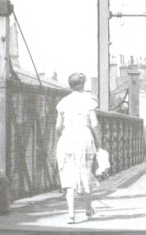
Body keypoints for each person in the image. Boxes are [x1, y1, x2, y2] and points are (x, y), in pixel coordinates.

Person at [55, 72, 99, 223]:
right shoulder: (89, 101)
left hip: (68, 139)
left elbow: (58, 126)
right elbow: (95, 124)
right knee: (85, 173)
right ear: (83, 85)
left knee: (69, 177)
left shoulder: (63, 102)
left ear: (70, 85)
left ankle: (71, 214)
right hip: (85, 139)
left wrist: (63, 135)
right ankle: (88, 208)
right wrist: (99, 142)